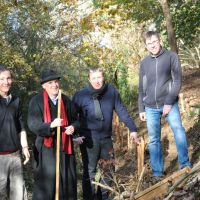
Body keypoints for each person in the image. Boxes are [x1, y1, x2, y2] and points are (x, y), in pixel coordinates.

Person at [73, 68, 140, 200]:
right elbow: (72, 117)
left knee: (108, 170)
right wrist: (75, 135)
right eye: (94, 78)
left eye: (99, 77)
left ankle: (105, 196)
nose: (97, 81)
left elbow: (121, 110)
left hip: (106, 139)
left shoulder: (111, 91)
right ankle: (89, 197)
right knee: (90, 171)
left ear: (103, 77)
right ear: (89, 79)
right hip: (88, 140)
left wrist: (133, 129)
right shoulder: (80, 95)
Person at [138, 31, 191, 178]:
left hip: (169, 103)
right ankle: (157, 172)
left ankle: (184, 164)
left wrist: (168, 102)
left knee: (178, 130)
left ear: (159, 41)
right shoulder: (144, 63)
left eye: (154, 42)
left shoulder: (171, 56)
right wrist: (141, 108)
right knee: (154, 139)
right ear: (146, 46)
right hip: (150, 107)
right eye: (149, 43)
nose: (152, 45)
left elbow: (177, 81)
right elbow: (141, 88)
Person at [27, 69, 79, 200]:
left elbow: (77, 120)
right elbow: (33, 124)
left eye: (56, 82)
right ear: (44, 86)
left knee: (67, 182)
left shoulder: (66, 100)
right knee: (47, 185)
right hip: (46, 149)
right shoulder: (36, 101)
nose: (54, 85)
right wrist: (50, 125)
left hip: (65, 148)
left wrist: (73, 127)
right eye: (50, 82)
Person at [0, 64, 30, 200]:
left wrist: (24, 148)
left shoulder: (16, 100)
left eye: (8, 78)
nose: (6, 82)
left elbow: (21, 127)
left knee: (18, 195)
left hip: (15, 156)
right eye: (1, 79)